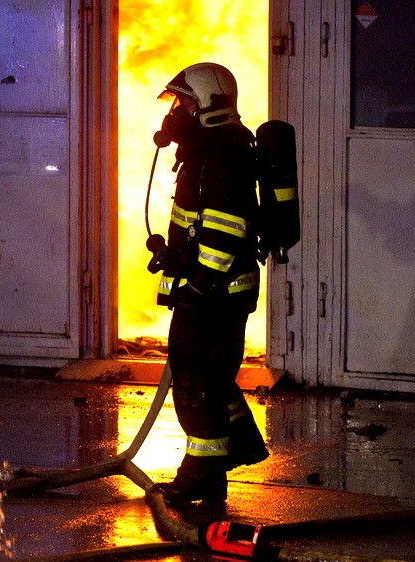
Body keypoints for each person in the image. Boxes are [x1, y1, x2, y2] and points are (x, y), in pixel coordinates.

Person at [147, 62, 269, 506]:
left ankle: (200, 473)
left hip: (217, 291)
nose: (176, 112)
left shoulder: (222, 153)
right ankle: (234, 451)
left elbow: (225, 229)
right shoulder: (207, 149)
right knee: (211, 379)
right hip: (216, 287)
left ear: (209, 104)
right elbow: (199, 224)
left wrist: (199, 286)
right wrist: (177, 257)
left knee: (195, 381)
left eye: (184, 103)